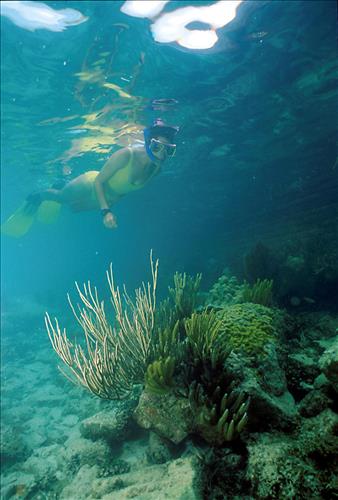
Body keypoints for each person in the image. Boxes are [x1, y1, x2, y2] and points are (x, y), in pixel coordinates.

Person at [1, 119, 179, 237]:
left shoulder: (157, 170)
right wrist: (105, 211)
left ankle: (62, 184)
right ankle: (37, 197)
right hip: (92, 183)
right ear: (149, 142)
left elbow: (126, 189)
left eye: (168, 150)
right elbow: (99, 181)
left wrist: (111, 203)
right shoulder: (126, 155)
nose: (162, 154)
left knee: (73, 208)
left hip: (108, 198)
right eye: (157, 147)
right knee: (61, 198)